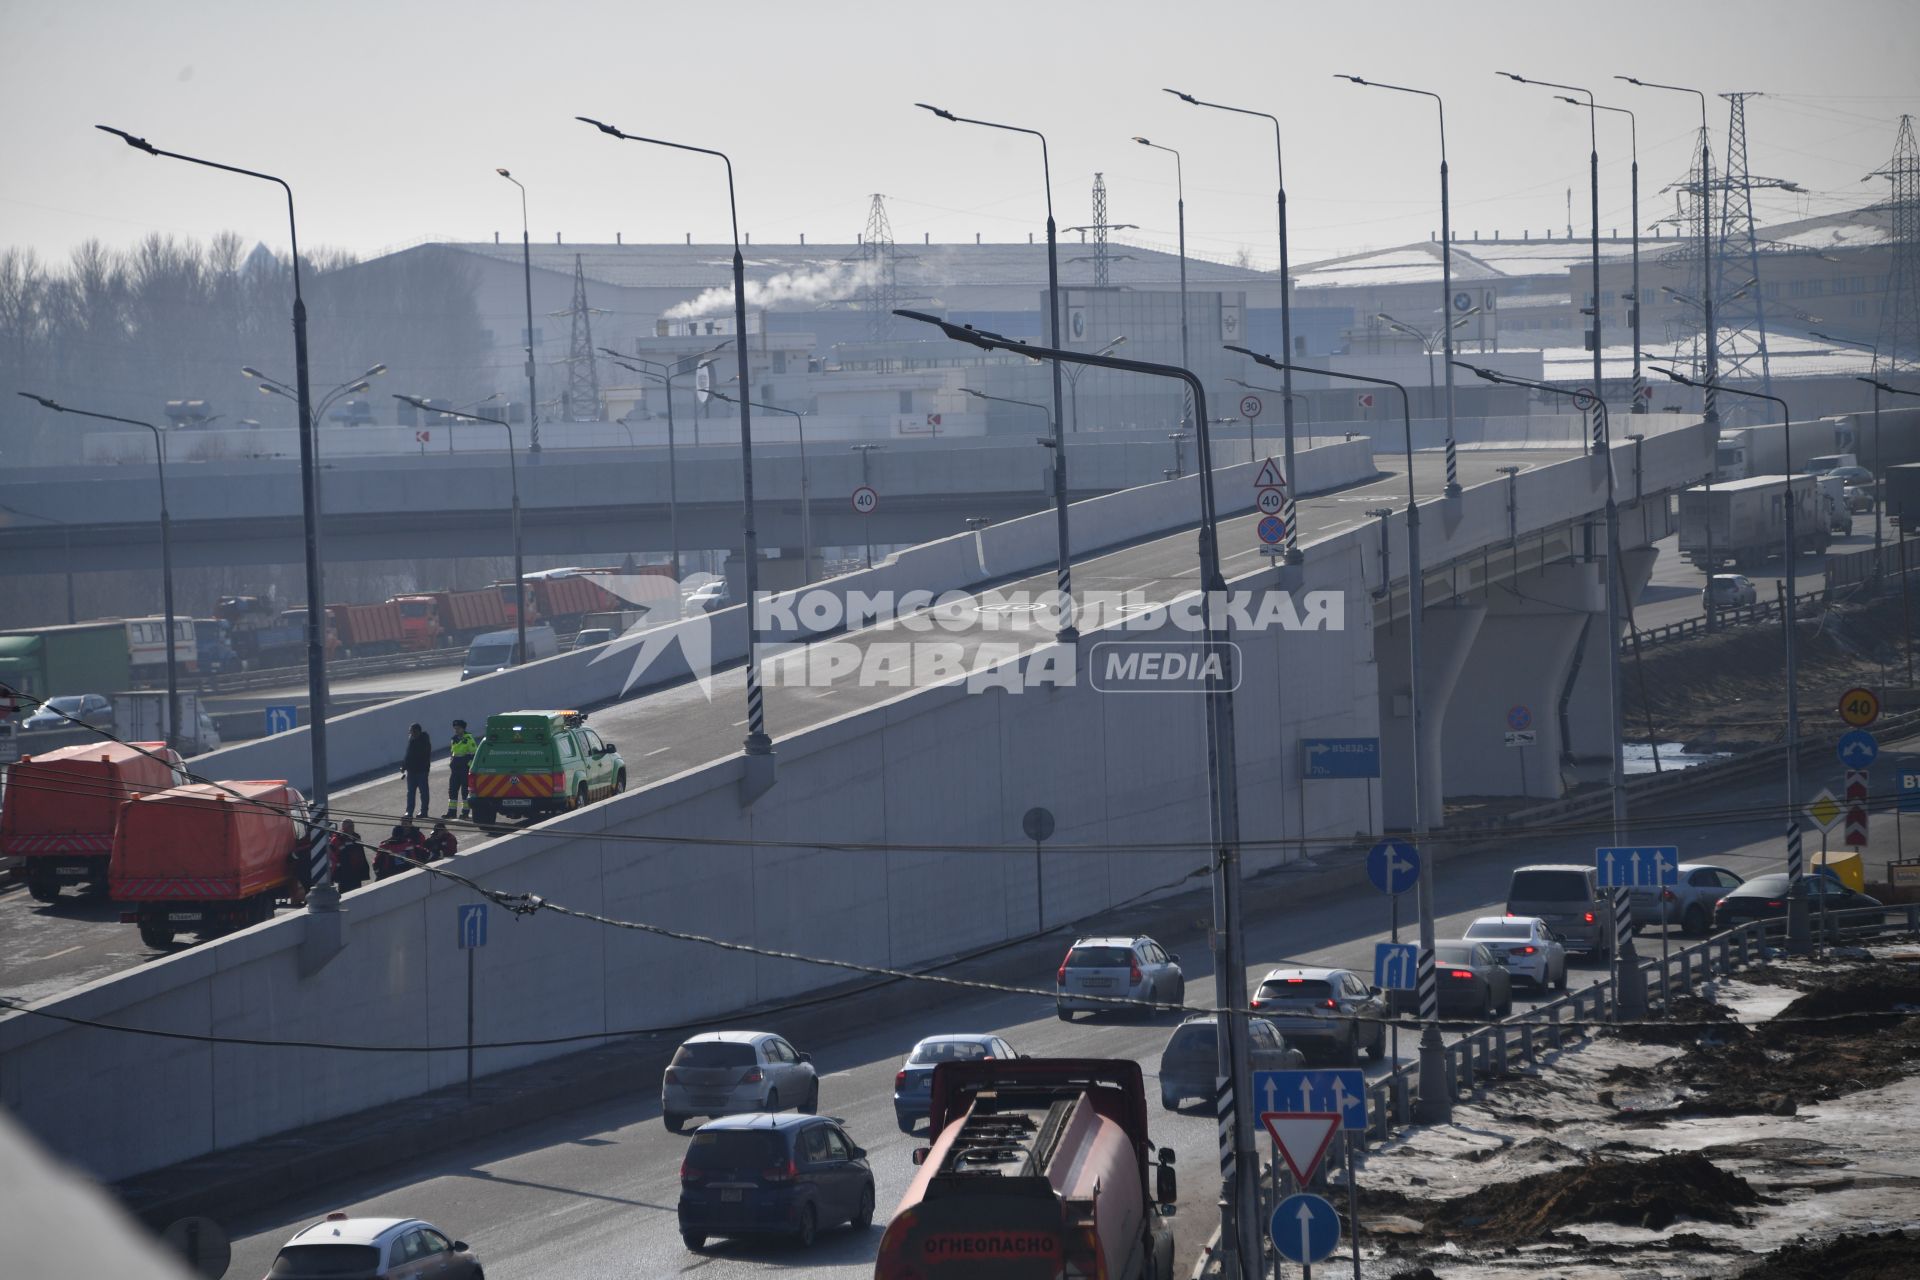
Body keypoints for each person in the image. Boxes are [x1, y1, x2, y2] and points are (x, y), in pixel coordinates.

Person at [445, 718, 477, 819]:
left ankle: (465, 813)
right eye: (455, 728)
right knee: (452, 790)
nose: (456, 730)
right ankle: (451, 812)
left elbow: (473, 755)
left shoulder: (469, 739)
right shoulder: (454, 739)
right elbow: (453, 753)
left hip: (464, 769)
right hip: (455, 770)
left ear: (463, 729)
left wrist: (468, 766)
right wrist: (452, 763)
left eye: (458, 728)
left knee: (465, 792)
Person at [331, 820, 370, 893]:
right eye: (350, 826)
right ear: (343, 827)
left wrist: (363, 868)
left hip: (356, 871)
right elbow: (333, 856)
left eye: (353, 826)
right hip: (344, 873)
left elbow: (361, 853)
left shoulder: (356, 836)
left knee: (357, 892)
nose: (352, 828)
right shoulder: (337, 839)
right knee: (344, 894)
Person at [402, 722, 432, 818]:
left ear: (418, 731)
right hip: (411, 771)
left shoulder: (424, 741)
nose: (411, 734)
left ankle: (424, 811)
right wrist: (404, 766)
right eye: (410, 732)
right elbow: (408, 755)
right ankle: (409, 812)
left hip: (421, 771)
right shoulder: (412, 740)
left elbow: (419, 755)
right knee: (410, 792)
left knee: (423, 792)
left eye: (413, 732)